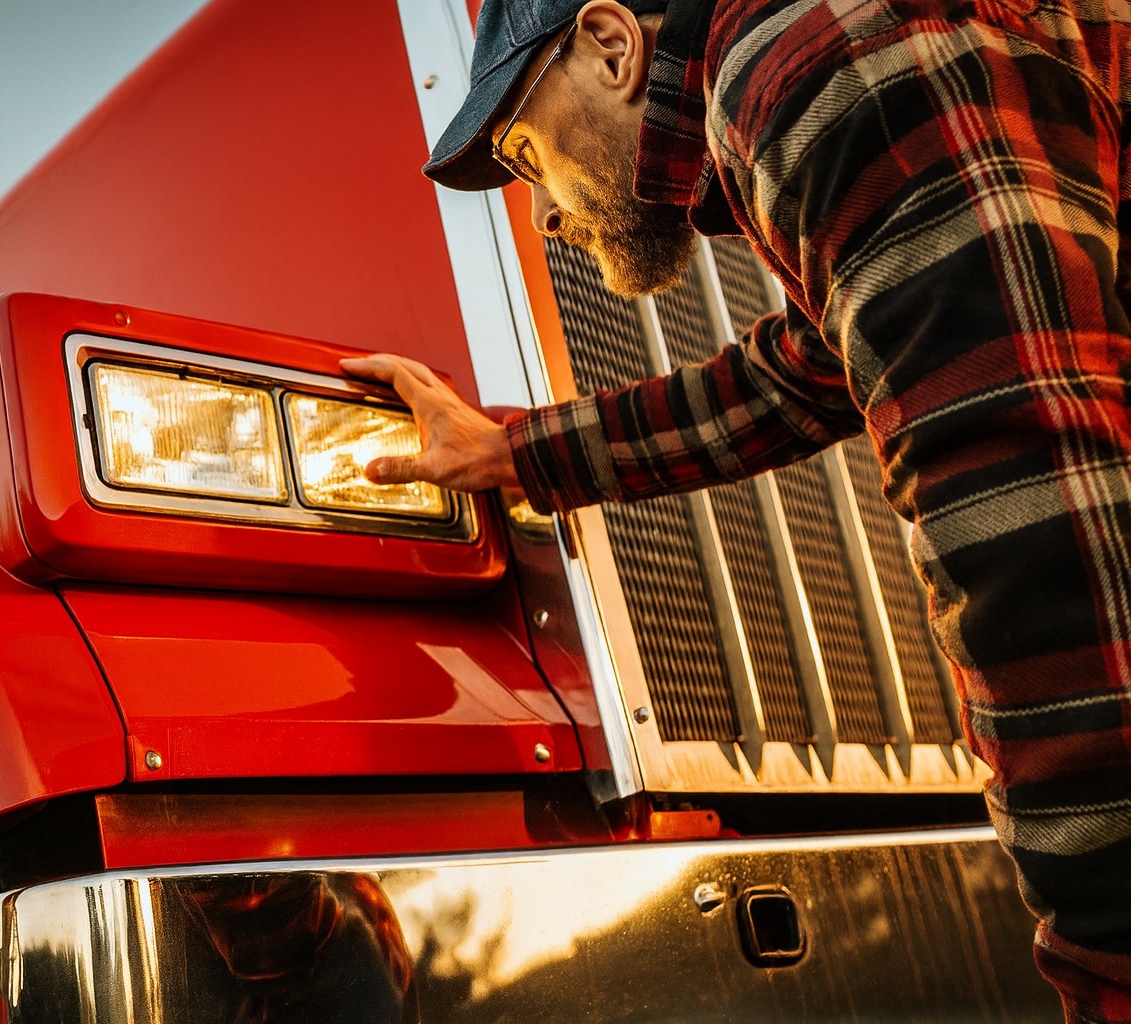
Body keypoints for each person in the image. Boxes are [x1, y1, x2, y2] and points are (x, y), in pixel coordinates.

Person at [340, 0, 1131, 1019]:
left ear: (614, 45)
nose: (538, 214)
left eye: (529, 152)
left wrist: (1109, 956)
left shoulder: (816, 60)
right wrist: (514, 450)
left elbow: (1035, 516)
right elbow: (808, 370)